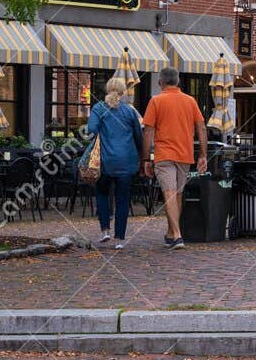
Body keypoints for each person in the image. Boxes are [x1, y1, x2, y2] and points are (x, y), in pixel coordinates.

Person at [141, 66, 208, 250]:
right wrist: (203, 154)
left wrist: (145, 159)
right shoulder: (190, 101)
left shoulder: (156, 101)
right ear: (178, 81)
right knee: (177, 193)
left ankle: (177, 235)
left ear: (160, 82)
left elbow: (148, 131)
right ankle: (171, 233)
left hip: (164, 154)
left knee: (169, 192)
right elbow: (201, 128)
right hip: (184, 154)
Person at [87, 77, 144, 249]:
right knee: (123, 199)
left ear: (107, 90)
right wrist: (142, 156)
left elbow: (91, 129)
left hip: (105, 161)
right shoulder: (129, 111)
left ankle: (105, 230)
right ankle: (119, 239)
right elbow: (138, 136)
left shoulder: (99, 108)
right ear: (122, 92)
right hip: (126, 161)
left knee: (102, 193)